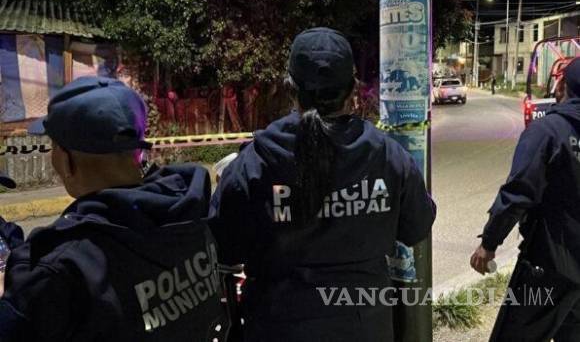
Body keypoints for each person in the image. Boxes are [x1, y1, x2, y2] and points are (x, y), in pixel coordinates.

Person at [209, 27, 436, 342]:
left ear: (291, 88)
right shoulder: (386, 155)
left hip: (278, 327)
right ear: (352, 89)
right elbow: (417, 226)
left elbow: (223, 247)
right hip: (364, 328)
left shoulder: (254, 163)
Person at [0, 76, 226, 342]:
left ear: (66, 159)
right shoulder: (191, 211)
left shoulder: (57, 265)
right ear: (136, 151)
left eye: (53, 147)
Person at [471, 57, 580, 341]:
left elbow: (519, 192)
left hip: (550, 264)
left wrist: (489, 243)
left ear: (562, 86)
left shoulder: (549, 131)